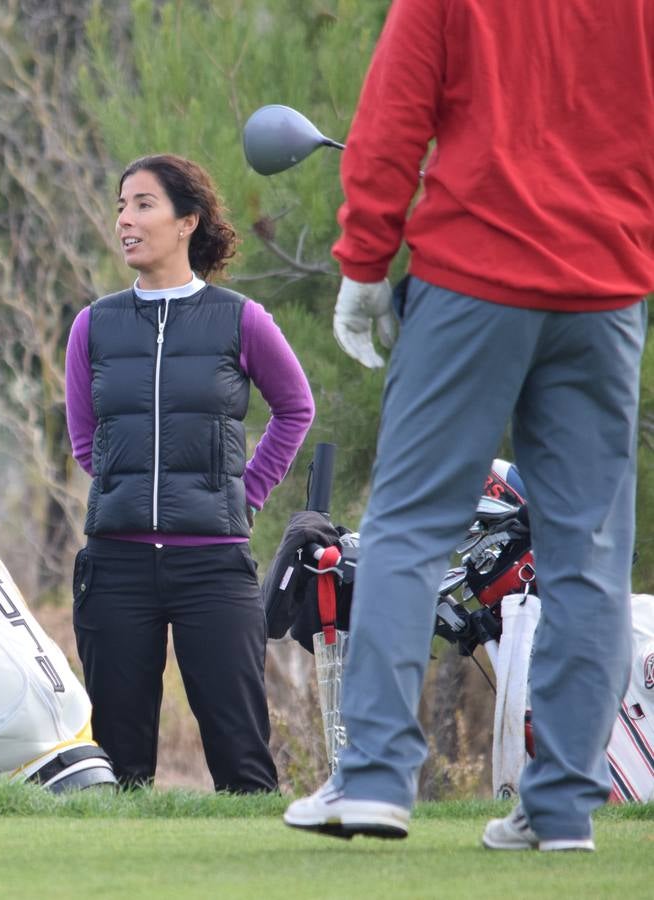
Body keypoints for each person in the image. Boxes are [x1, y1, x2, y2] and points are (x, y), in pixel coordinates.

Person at [283, 0, 653, 850]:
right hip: (606, 291)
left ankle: (374, 778)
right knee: (589, 555)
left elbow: (390, 123)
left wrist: (364, 262)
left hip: (475, 279)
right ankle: (560, 809)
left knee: (410, 529)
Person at [64, 154, 315, 791]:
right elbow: (86, 440)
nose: (125, 218)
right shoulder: (93, 325)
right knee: (118, 768)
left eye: (143, 204)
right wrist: (124, 486)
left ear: (187, 222)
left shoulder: (240, 319)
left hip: (213, 564)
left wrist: (246, 491)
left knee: (242, 758)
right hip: (115, 564)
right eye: (121, 205)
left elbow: (295, 407)